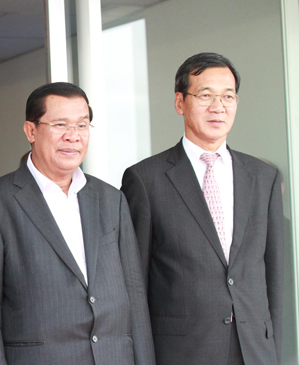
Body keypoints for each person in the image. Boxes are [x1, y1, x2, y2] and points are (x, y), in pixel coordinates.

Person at [0, 82, 155, 364]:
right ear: (31, 131)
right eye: (60, 125)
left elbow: (134, 295)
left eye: (82, 125)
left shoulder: (110, 198)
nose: (73, 136)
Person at [121, 52, 283, 365]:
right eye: (205, 95)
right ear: (180, 102)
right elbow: (133, 283)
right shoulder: (145, 180)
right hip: (182, 352)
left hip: (254, 352)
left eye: (228, 96)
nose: (218, 106)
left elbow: (275, 276)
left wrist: (275, 351)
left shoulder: (263, 177)